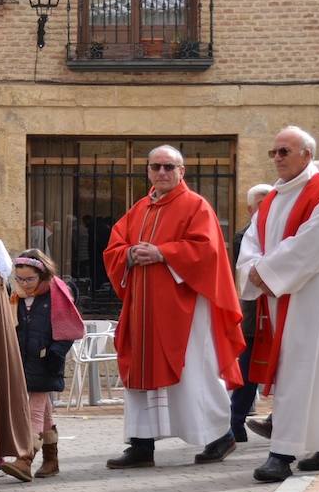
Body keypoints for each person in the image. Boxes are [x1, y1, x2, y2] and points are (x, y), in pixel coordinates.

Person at [102, 146, 247, 469]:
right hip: (142, 308)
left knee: (194, 372)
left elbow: (207, 251)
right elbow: (115, 245)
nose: (163, 172)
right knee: (138, 371)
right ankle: (141, 444)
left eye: (169, 167)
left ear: (182, 171)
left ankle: (220, 435)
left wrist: (163, 253)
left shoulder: (196, 206)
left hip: (184, 310)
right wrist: (127, 255)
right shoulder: (139, 208)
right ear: (148, 171)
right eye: (156, 167)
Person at [237, 126, 319, 482]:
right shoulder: (273, 197)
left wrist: (265, 272)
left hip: (312, 302)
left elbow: (312, 247)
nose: (278, 158)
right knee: (297, 374)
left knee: (303, 373)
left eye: (285, 151)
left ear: (307, 155)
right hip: (277, 298)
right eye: (274, 152)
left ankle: (281, 454)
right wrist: (254, 269)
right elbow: (251, 238)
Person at [1, 250, 82, 482]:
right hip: (24, 361)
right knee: (44, 411)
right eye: (19, 279)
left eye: (29, 279)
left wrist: (55, 355)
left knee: (34, 410)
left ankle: (25, 459)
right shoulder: (15, 296)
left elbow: (68, 330)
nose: (24, 284)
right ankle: (51, 459)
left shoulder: (57, 295)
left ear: (43, 276)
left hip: (47, 361)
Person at [231, 183, 274, 443]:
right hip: (254, 312)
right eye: (262, 204)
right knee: (247, 369)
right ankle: (236, 421)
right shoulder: (244, 236)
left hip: (278, 311)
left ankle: (277, 420)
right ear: (250, 209)